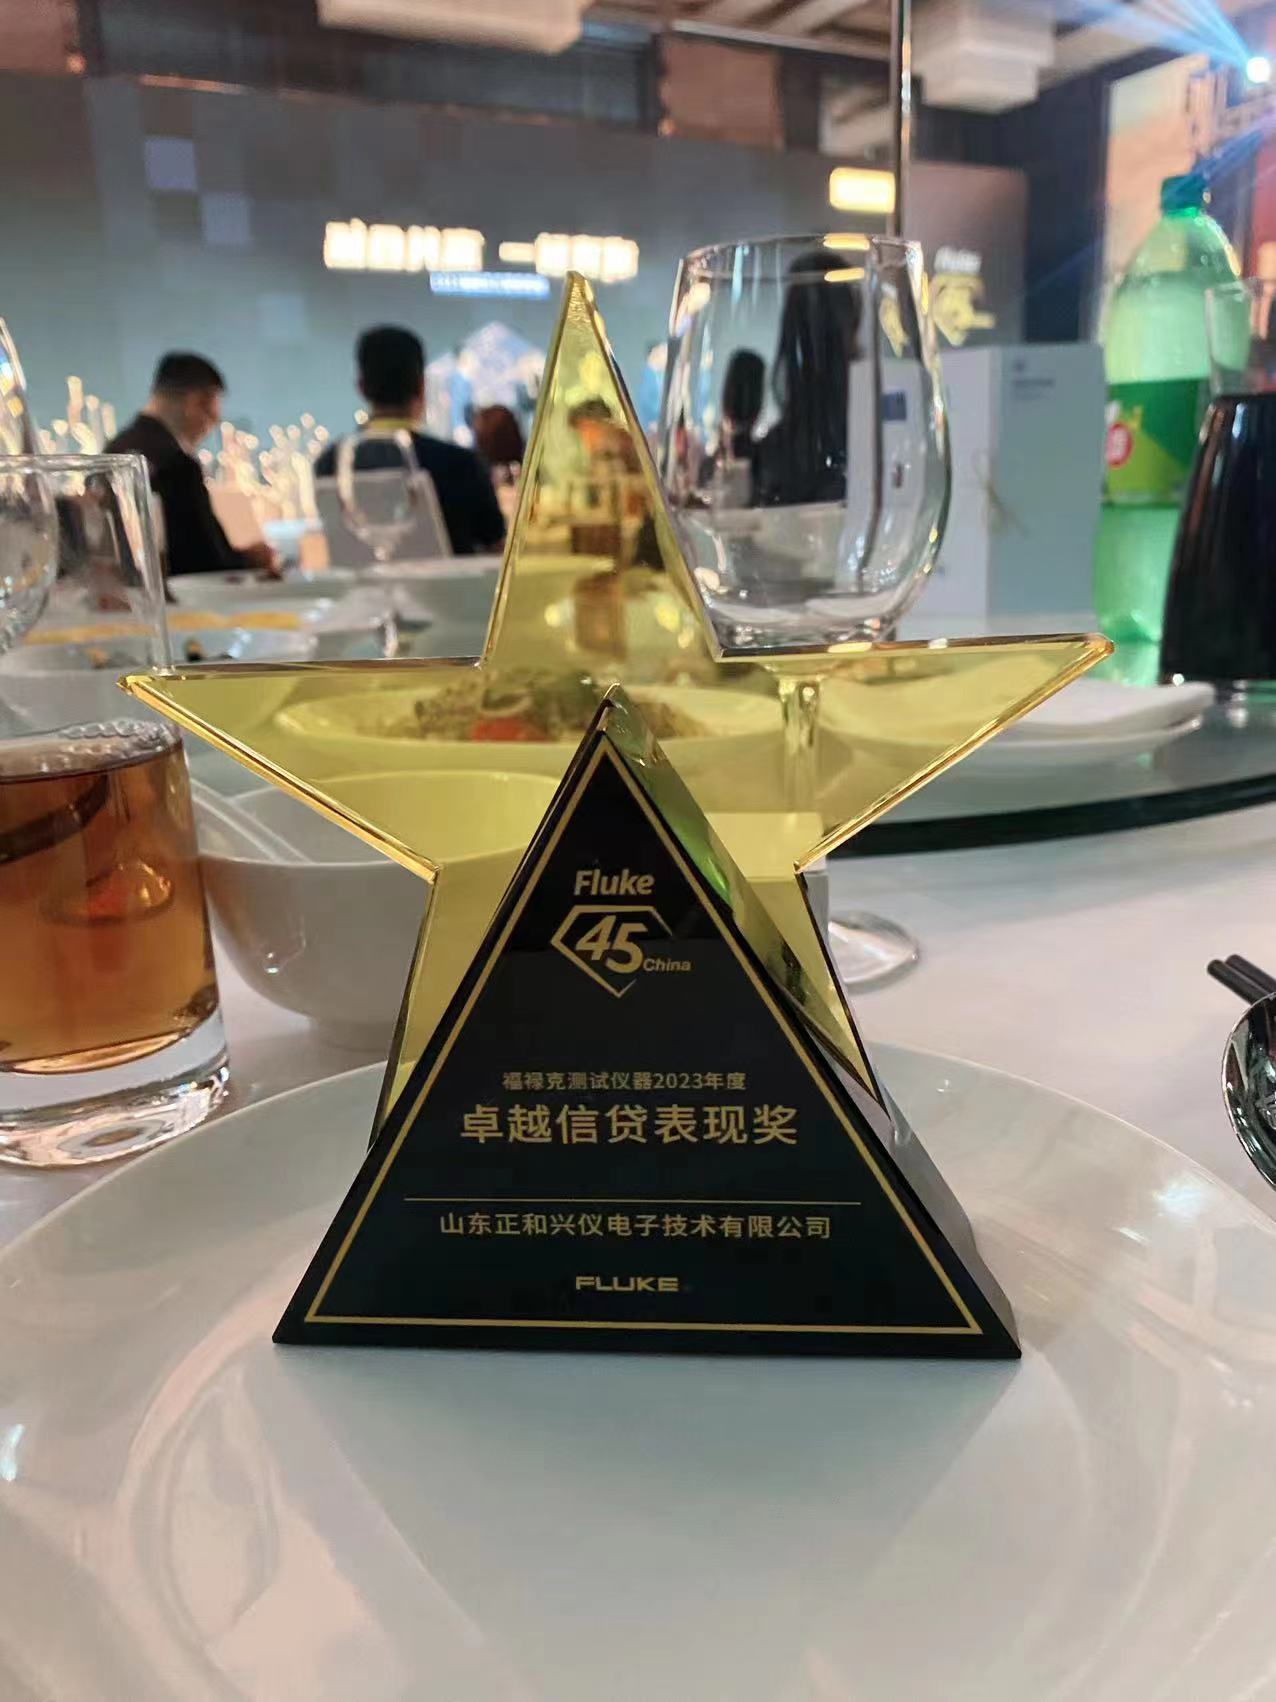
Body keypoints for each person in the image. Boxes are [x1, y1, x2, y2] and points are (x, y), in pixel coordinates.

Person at [315, 326, 505, 557]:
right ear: (422, 385)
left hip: (365, 581)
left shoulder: (329, 464)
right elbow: (497, 549)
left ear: (361, 388)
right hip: (449, 582)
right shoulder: (461, 463)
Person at [106, 352, 277, 578]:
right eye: (214, 413)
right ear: (197, 403)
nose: (213, 424)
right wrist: (251, 558)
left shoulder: (112, 452)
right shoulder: (178, 465)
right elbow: (205, 562)